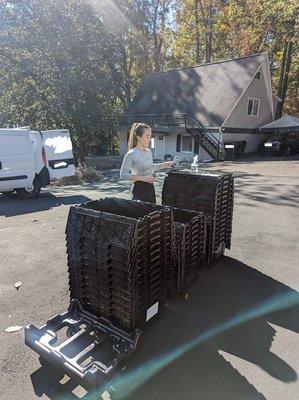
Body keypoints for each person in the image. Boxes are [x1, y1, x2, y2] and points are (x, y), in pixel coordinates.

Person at [120, 123, 172, 203]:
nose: (150, 139)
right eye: (147, 136)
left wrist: (164, 165)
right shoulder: (131, 154)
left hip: (150, 189)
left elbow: (150, 168)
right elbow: (123, 174)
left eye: (150, 136)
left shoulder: (148, 152)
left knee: (153, 214)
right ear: (138, 137)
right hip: (138, 191)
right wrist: (142, 178)